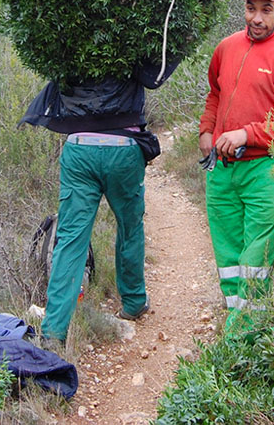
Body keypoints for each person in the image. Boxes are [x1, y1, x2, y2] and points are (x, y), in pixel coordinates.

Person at [21, 57, 179, 344]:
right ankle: (133, 302)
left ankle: (54, 331)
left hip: (80, 148)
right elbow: (154, 75)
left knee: (70, 239)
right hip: (124, 148)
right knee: (129, 228)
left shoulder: (69, 43)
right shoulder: (131, 41)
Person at [199, 0, 274, 324]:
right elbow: (216, 92)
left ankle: (239, 344)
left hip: (267, 171)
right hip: (222, 171)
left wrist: (246, 135)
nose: (257, 18)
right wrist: (207, 129)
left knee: (254, 259)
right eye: (251, 9)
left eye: (266, 9)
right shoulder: (227, 48)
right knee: (229, 257)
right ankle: (239, 326)